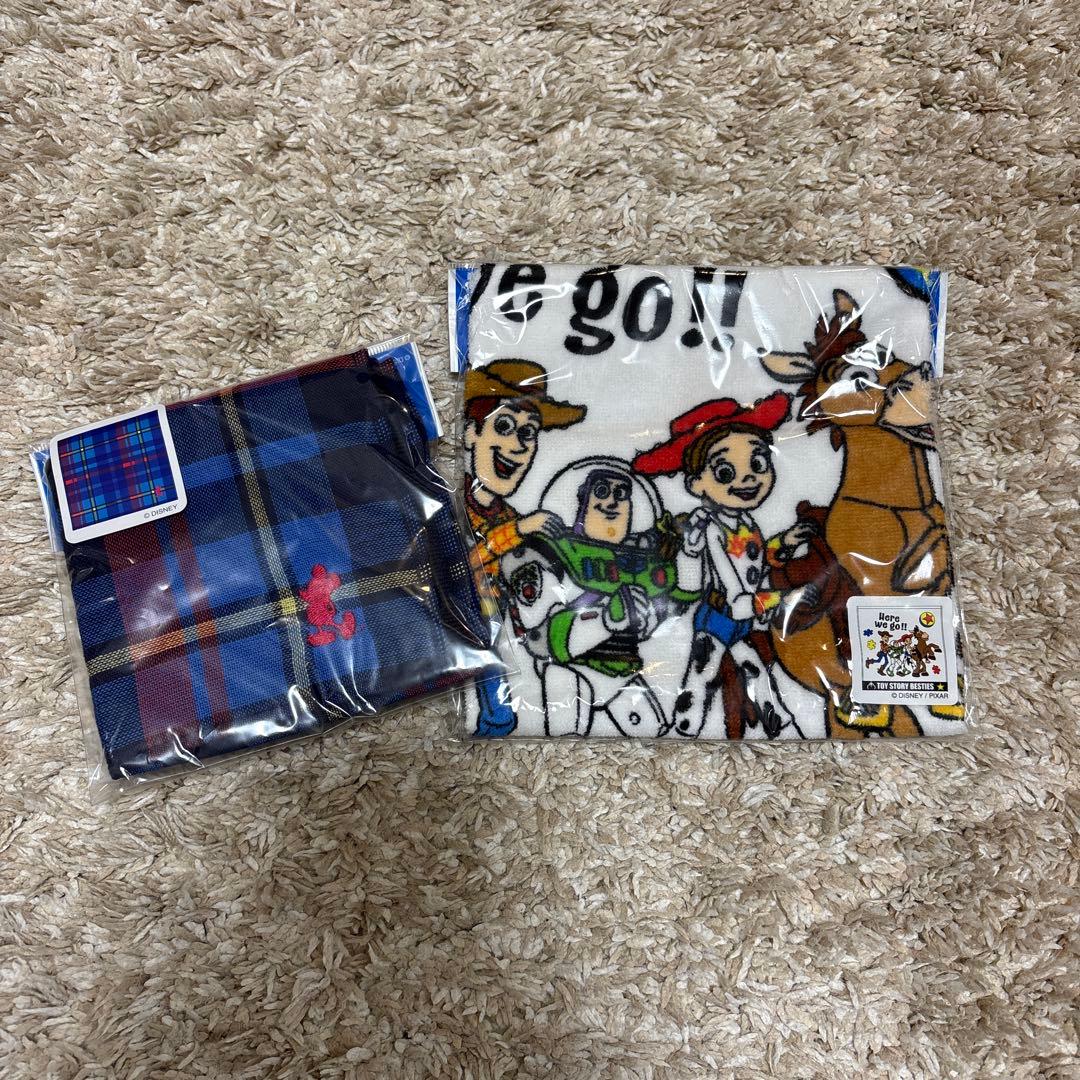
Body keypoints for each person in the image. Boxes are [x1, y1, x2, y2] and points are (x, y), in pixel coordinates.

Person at [633, 392, 816, 739]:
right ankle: (684, 728)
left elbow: (753, 559)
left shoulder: (746, 523)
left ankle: (777, 721)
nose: (747, 479)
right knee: (702, 674)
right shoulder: (711, 529)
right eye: (725, 471)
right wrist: (781, 598)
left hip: (741, 618)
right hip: (720, 617)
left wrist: (784, 543)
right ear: (695, 484)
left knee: (753, 669)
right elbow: (735, 593)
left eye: (757, 464)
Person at [499, 458, 669, 737]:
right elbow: (540, 638)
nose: (612, 502)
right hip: (569, 671)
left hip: (623, 672)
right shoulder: (545, 555)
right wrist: (605, 620)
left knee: (658, 732)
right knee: (564, 738)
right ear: (581, 502)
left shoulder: (640, 563)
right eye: (601, 492)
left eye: (621, 494)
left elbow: (668, 610)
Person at [462, 360, 587, 735]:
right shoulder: (452, 504)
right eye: (503, 426)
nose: (517, 445)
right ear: (470, 433)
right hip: (470, 628)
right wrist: (519, 530)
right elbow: (459, 565)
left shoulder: (510, 514)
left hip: (513, 625)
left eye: (528, 433)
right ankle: (498, 717)